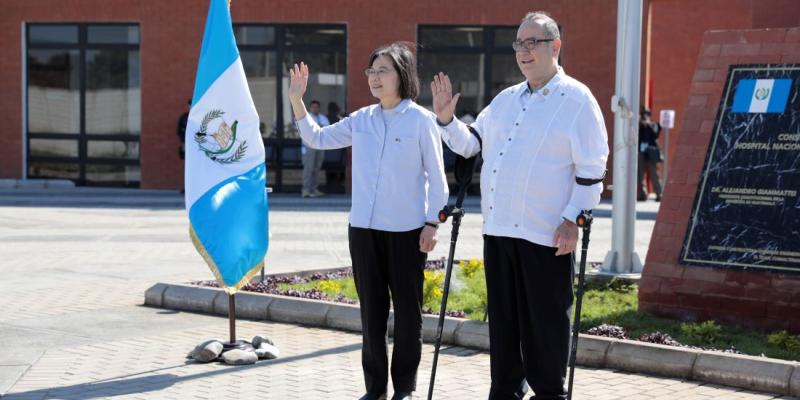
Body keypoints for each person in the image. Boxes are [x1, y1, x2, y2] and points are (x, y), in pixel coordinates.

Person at [431, 11, 608, 400]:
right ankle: (506, 391)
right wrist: (446, 120)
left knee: (544, 328)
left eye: (533, 43)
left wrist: (572, 220)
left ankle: (548, 393)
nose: (524, 51)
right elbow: (470, 144)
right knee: (505, 328)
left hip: (546, 235)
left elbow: (593, 170)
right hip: (498, 233)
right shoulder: (505, 100)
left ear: (555, 46)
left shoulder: (578, 99)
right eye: (519, 44)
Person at [288, 42, 448, 400]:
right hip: (363, 230)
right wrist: (297, 100)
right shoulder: (361, 119)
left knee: (408, 314)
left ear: (402, 75)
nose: (375, 78)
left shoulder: (421, 120)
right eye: (371, 71)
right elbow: (316, 138)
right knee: (371, 314)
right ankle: (374, 388)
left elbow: (438, 180)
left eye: (383, 71)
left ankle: (404, 388)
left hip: (407, 231)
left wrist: (432, 224)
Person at [301, 100, 330, 197]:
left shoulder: (323, 118)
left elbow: (327, 129)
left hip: (321, 146)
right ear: (310, 108)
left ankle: (314, 189)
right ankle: (306, 190)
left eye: (317, 107)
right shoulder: (306, 118)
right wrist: (318, 128)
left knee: (317, 168)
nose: (315, 109)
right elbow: (307, 130)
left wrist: (317, 128)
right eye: (313, 107)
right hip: (309, 146)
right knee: (309, 168)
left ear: (319, 108)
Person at [638, 107, 663, 201]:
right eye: (643, 114)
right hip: (641, 151)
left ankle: (659, 194)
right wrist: (640, 124)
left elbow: (656, 133)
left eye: (646, 114)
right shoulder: (638, 126)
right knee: (640, 174)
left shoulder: (653, 125)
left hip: (651, 151)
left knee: (654, 173)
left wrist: (648, 125)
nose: (644, 116)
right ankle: (642, 194)